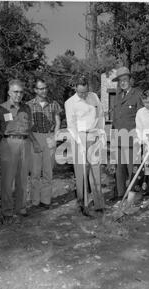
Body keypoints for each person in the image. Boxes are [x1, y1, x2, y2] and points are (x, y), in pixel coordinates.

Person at [0, 79, 40, 224]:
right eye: (15, 92)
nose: (18, 95)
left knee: (23, 178)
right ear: (9, 92)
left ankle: (21, 207)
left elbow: (29, 129)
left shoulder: (26, 108)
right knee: (8, 180)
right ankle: (7, 212)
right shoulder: (0, 109)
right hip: (8, 143)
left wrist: (34, 142)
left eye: (20, 92)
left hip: (25, 143)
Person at [64, 76, 105, 216]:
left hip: (93, 134)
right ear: (75, 87)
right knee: (81, 172)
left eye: (85, 91)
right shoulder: (69, 103)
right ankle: (82, 202)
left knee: (95, 170)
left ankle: (99, 203)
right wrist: (79, 143)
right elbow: (71, 125)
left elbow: (100, 115)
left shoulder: (94, 97)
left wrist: (102, 132)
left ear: (88, 88)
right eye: (81, 92)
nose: (83, 95)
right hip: (79, 136)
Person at [26, 78, 62, 209]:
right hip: (34, 137)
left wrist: (54, 138)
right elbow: (26, 125)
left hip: (49, 136)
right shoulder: (28, 105)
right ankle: (35, 201)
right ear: (35, 90)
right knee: (35, 172)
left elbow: (57, 122)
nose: (44, 90)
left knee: (48, 171)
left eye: (45, 88)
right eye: (41, 88)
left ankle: (46, 200)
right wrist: (33, 141)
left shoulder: (53, 104)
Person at [111, 67, 144, 202]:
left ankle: (134, 196)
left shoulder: (138, 94)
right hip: (119, 138)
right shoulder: (118, 96)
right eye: (120, 81)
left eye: (125, 80)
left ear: (130, 80)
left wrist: (140, 137)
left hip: (132, 138)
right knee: (119, 169)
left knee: (132, 169)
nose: (122, 83)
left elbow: (142, 117)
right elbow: (115, 118)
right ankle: (120, 194)